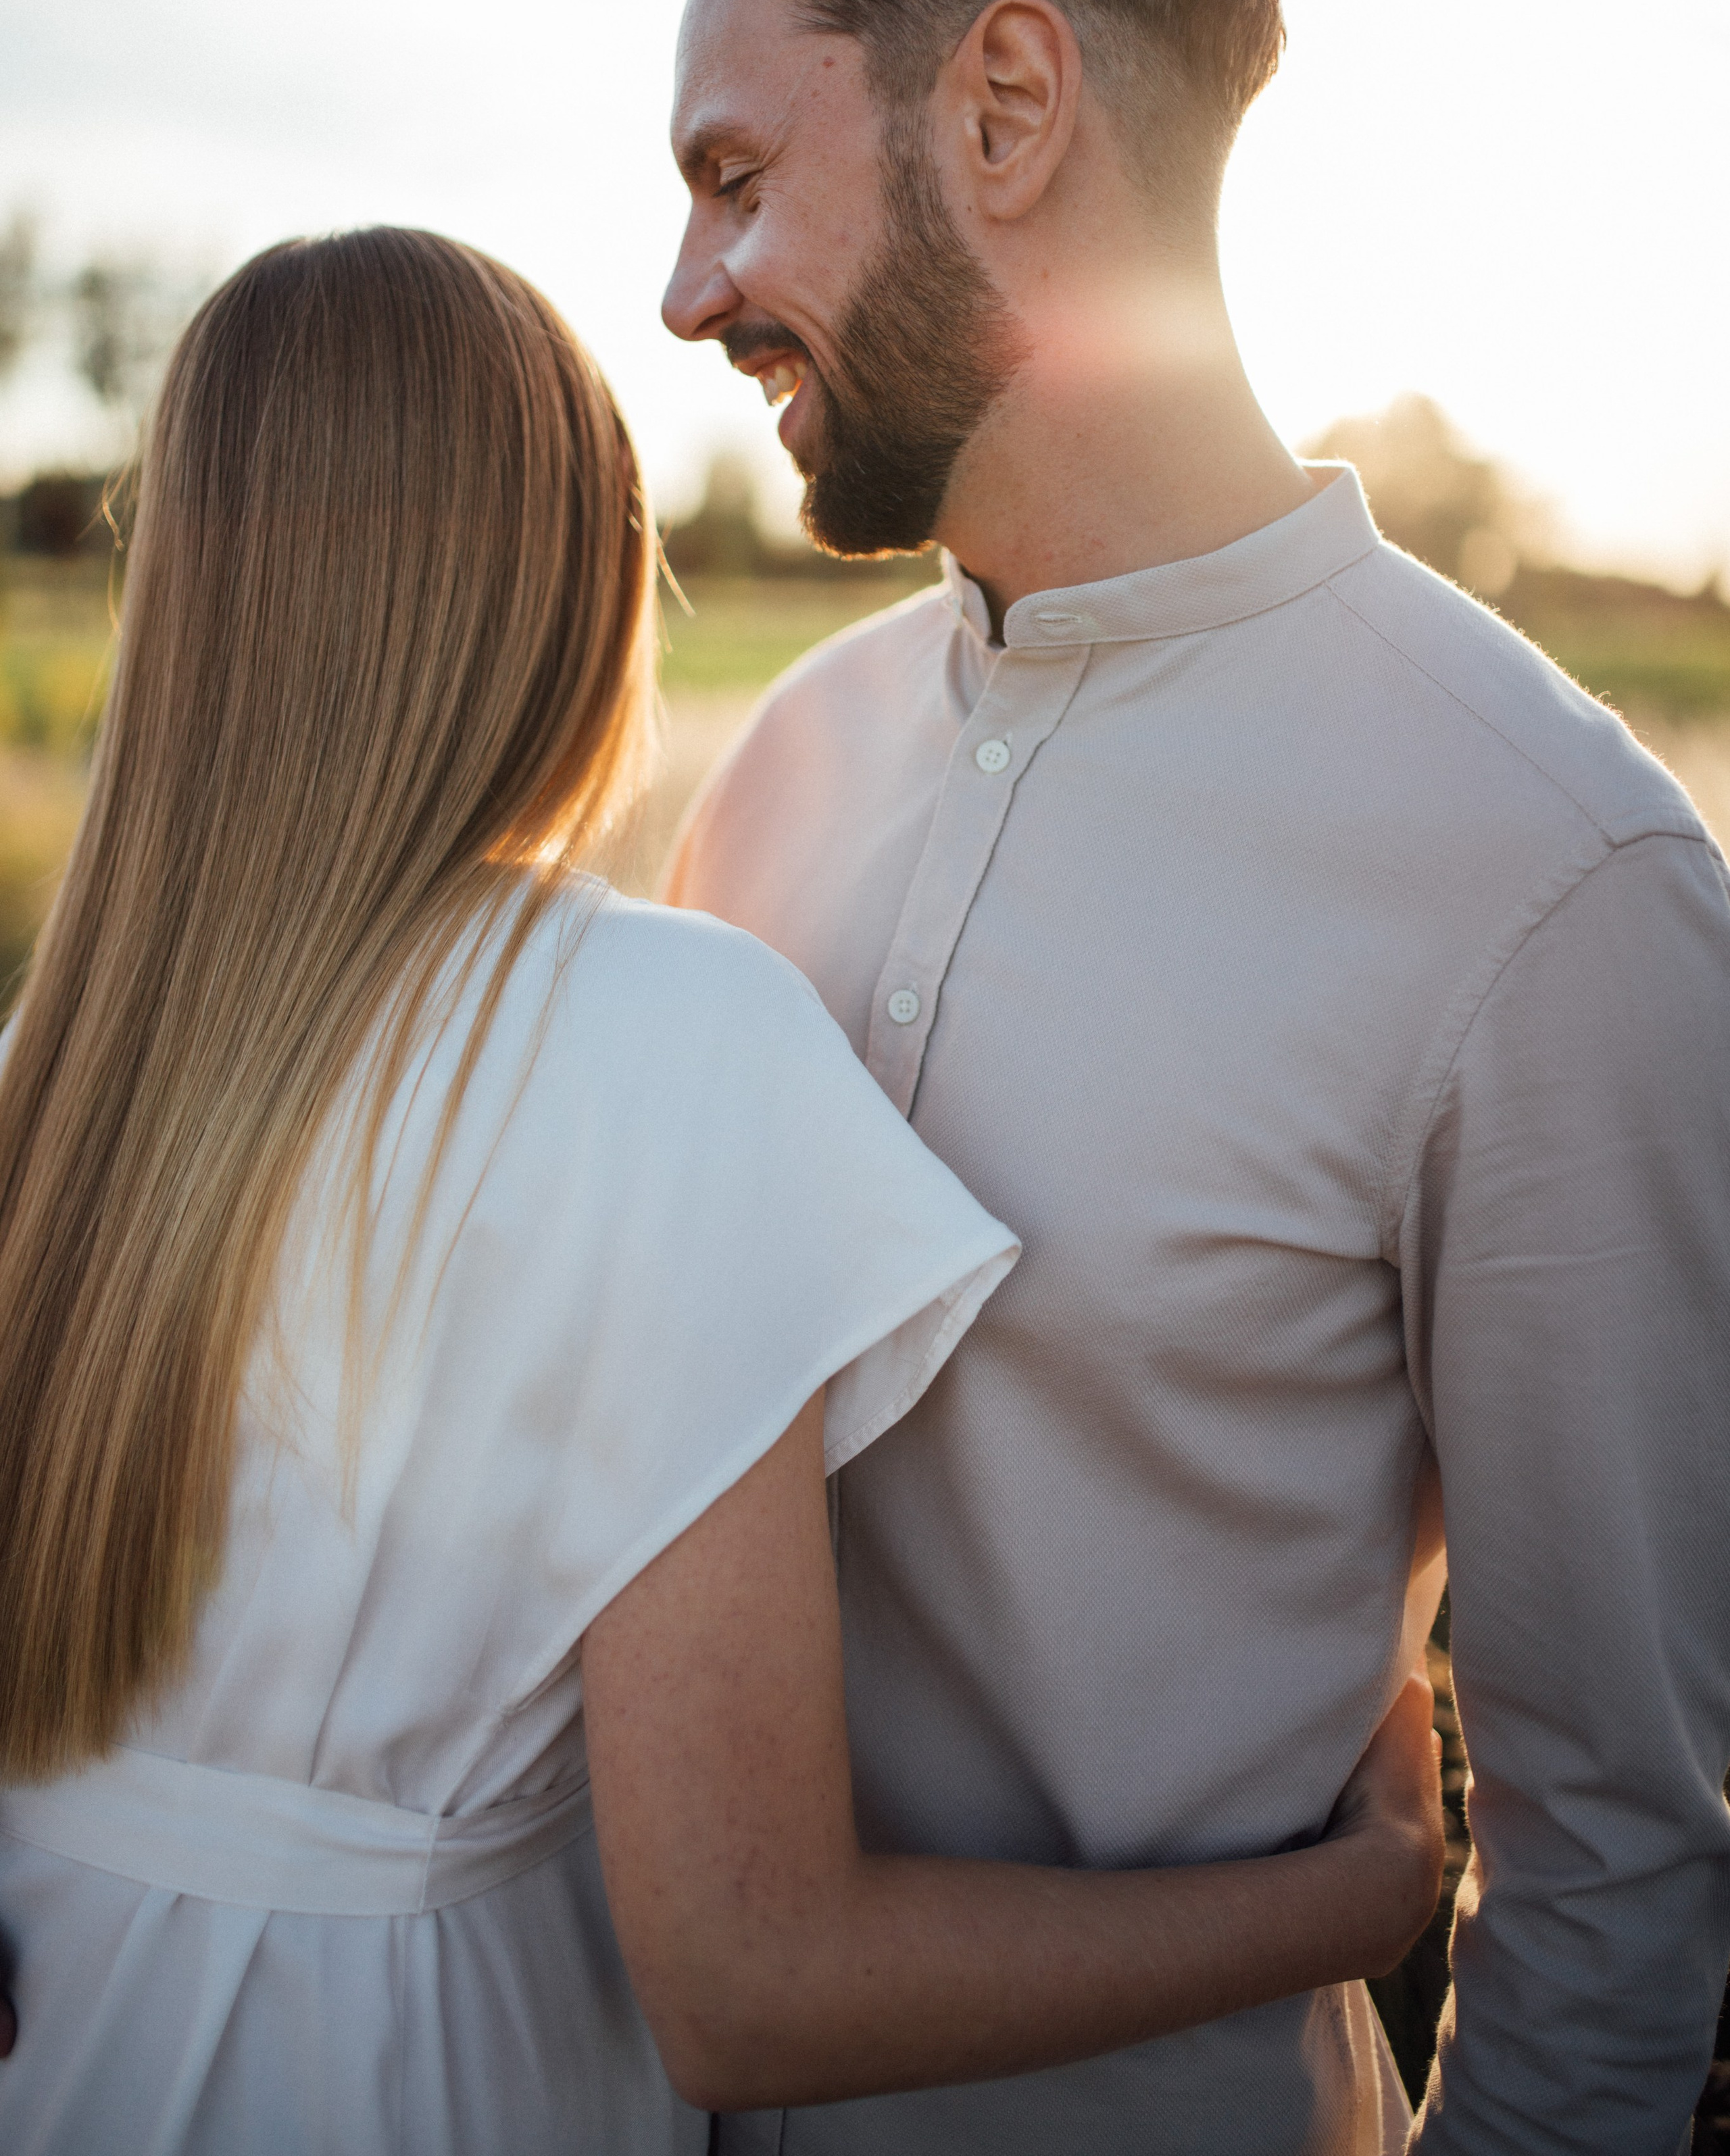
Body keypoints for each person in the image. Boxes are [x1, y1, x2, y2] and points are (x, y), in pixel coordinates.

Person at [0, 228, 1441, 2154]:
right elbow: (754, 1982)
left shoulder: (56, 1059)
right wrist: (1347, 1904)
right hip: (418, 2084)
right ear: (575, 580)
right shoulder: (658, 1036)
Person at [661, 0, 1730, 2152]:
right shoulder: (783, 770)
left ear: (1007, 109)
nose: (687, 287)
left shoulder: (1558, 885)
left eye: (737, 178)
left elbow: (1610, 1877)